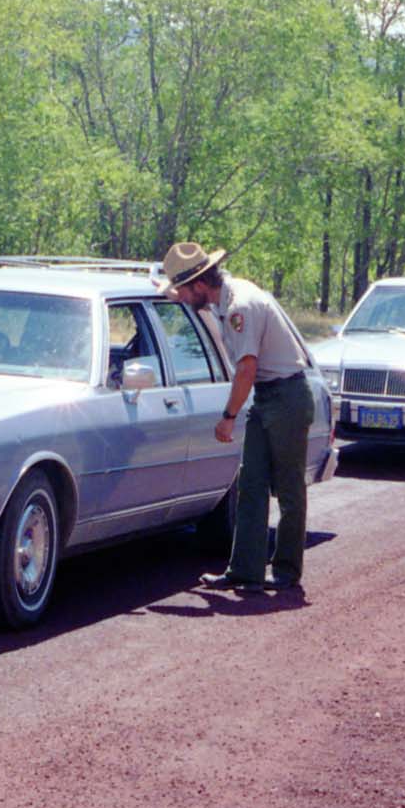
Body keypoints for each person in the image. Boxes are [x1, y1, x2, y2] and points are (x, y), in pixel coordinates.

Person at [160, 240, 315, 595]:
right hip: (268, 396)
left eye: (183, 290)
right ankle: (245, 571)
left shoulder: (237, 308)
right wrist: (167, 289)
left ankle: (287, 571)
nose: (181, 297)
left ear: (199, 284)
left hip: (286, 395)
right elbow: (182, 293)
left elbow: (246, 369)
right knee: (251, 483)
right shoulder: (222, 296)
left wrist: (228, 417)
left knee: (289, 488)